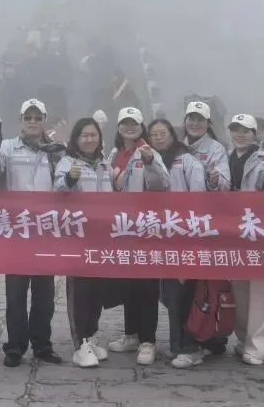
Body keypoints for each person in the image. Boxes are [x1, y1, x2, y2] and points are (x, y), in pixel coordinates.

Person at [0, 98, 66, 368]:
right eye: (28, 118)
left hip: (44, 232)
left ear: (44, 121)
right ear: (20, 121)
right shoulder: (6, 147)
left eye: (38, 118)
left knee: (44, 295)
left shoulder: (54, 151)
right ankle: (15, 345)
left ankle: (42, 345)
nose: (32, 122)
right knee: (15, 294)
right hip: (16, 232)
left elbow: (63, 184)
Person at [106, 107, 169, 365]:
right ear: (119, 127)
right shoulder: (113, 154)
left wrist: (150, 162)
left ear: (142, 127)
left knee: (147, 286)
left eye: (134, 123)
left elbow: (161, 184)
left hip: (145, 229)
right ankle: (131, 334)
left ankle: (148, 340)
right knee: (128, 285)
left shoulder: (149, 152)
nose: (129, 127)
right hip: (122, 230)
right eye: (125, 123)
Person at [54, 117, 115, 368]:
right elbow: (57, 190)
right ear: (76, 139)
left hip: (101, 238)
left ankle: (90, 335)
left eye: (93, 135)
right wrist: (69, 179)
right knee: (80, 290)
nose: (89, 140)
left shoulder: (105, 164)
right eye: (84, 135)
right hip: (78, 237)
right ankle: (79, 344)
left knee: (97, 290)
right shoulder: (67, 162)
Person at [147, 118, 208, 368]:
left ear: (172, 135)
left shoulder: (188, 161)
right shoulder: (150, 161)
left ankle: (191, 347)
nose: (158, 137)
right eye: (153, 134)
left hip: (185, 235)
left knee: (186, 293)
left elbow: (198, 200)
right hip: (162, 237)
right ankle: (176, 344)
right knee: (171, 294)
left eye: (163, 133)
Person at [227, 114, 264, 367]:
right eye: (236, 130)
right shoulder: (226, 156)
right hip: (234, 231)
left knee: (262, 289)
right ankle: (245, 339)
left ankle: (262, 346)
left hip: (260, 230)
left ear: (254, 134)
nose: (240, 134)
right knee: (240, 290)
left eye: (246, 130)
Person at [182, 100, 231, 191]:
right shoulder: (177, 147)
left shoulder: (216, 149)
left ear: (208, 124)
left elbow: (226, 185)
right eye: (191, 119)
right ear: (185, 121)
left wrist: (216, 181)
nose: (195, 123)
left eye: (200, 120)